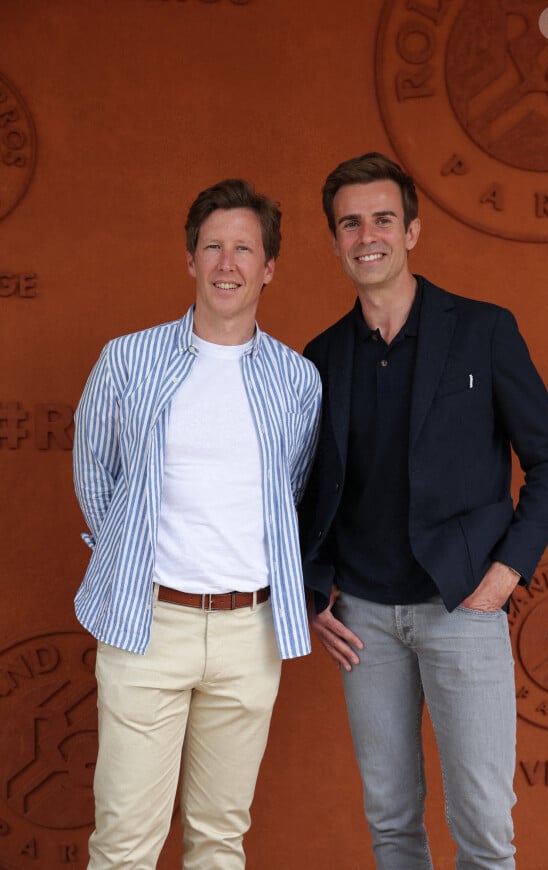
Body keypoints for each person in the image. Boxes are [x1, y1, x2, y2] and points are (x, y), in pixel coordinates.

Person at [299, 152, 548, 869]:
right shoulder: (321, 358)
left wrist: (508, 573)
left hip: (464, 607)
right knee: (391, 824)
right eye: (350, 223)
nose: (368, 236)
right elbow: (300, 492)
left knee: (483, 827)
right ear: (333, 241)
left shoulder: (484, 330)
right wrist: (310, 595)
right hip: (363, 622)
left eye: (383, 219)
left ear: (412, 231)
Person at [73, 178, 321, 870]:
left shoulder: (297, 380)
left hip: (250, 635)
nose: (226, 263)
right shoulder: (127, 361)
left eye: (244, 248)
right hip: (148, 627)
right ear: (190, 259)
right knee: (124, 845)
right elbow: (97, 480)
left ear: (268, 267)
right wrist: (131, 563)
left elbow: (291, 493)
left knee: (219, 843)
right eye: (213, 246)